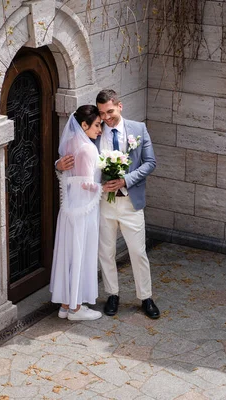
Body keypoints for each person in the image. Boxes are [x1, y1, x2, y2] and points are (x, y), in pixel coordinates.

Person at [56, 89, 160, 319]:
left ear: (120, 106)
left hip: (130, 202)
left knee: (138, 251)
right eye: (102, 113)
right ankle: (112, 294)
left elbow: (150, 163)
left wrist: (125, 180)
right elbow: (76, 154)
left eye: (110, 111)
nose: (106, 117)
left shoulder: (138, 130)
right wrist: (58, 164)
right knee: (105, 252)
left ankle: (146, 297)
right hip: (102, 203)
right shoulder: (95, 133)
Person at [50, 105, 104, 321]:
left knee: (69, 254)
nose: (100, 130)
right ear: (84, 125)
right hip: (84, 209)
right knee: (82, 253)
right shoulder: (89, 149)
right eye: (97, 125)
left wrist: (57, 165)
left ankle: (65, 304)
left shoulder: (70, 144)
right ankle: (76, 308)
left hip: (69, 207)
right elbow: (87, 184)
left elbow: (68, 174)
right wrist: (105, 186)